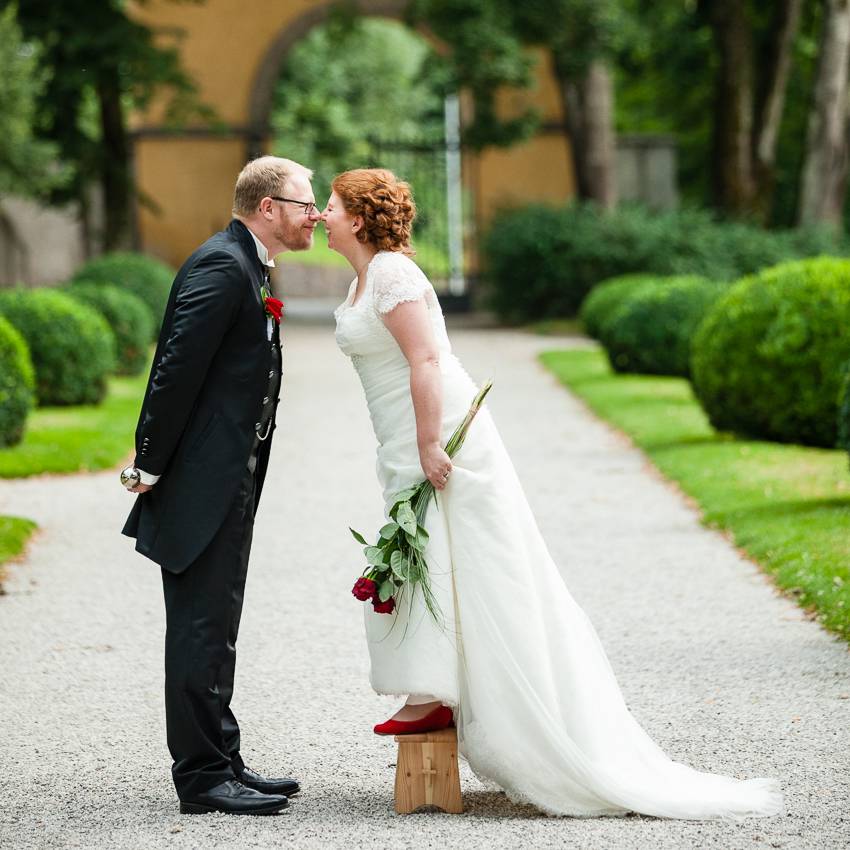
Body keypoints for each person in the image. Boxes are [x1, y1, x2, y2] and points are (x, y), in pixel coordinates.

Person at [325, 167, 784, 819]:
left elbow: (425, 360)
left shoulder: (395, 275)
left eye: (333, 205)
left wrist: (430, 444)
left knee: (462, 560)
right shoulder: (363, 278)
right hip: (400, 436)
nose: (322, 214)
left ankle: (438, 695)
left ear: (363, 218)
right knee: (427, 557)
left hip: (438, 431)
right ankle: (433, 688)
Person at [121, 156, 321, 815]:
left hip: (230, 473)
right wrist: (148, 461)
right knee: (201, 624)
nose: (313, 214)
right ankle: (203, 779)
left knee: (217, 620)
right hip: (200, 478)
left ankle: (223, 758)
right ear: (269, 207)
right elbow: (177, 367)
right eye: (304, 203)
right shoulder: (222, 265)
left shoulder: (247, 262)